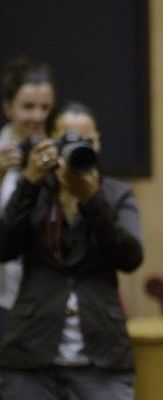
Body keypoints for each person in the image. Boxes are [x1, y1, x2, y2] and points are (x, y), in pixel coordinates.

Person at [0, 101, 143, 400]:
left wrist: (91, 200)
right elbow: (4, 247)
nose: (77, 148)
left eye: (86, 141)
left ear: (98, 143)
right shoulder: (35, 191)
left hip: (102, 355)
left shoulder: (116, 194)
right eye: (67, 140)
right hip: (31, 357)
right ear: (49, 141)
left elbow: (130, 258)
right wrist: (29, 181)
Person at [0, 57, 55, 344]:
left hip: (46, 303)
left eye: (44, 107)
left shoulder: (59, 154)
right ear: (7, 107)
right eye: (28, 107)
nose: (37, 117)